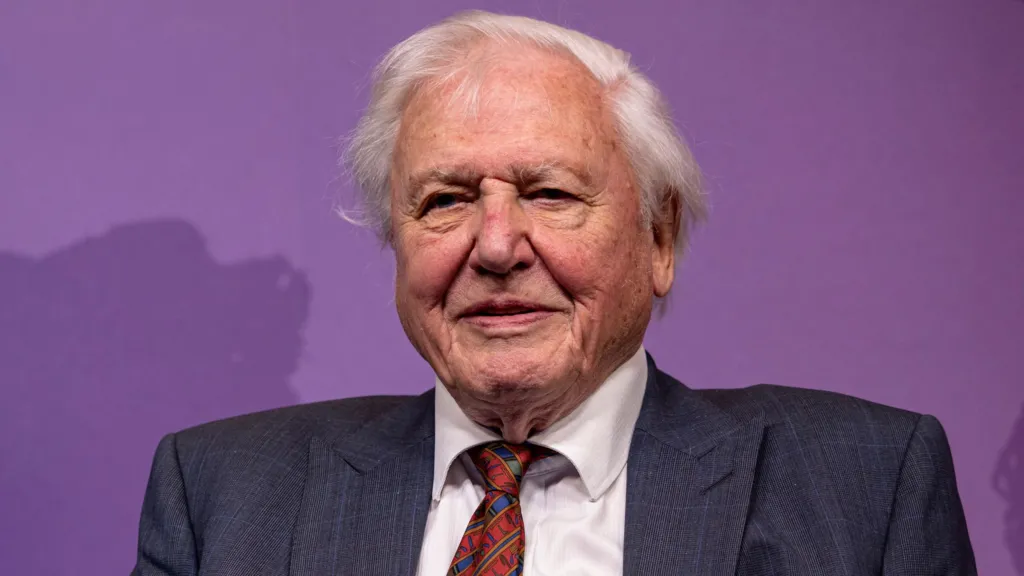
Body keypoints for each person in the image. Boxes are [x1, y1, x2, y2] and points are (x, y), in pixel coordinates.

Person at [132, 10, 976, 575]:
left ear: (659, 238)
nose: (496, 246)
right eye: (446, 201)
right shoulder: (223, 493)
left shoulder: (863, 487)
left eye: (550, 193)